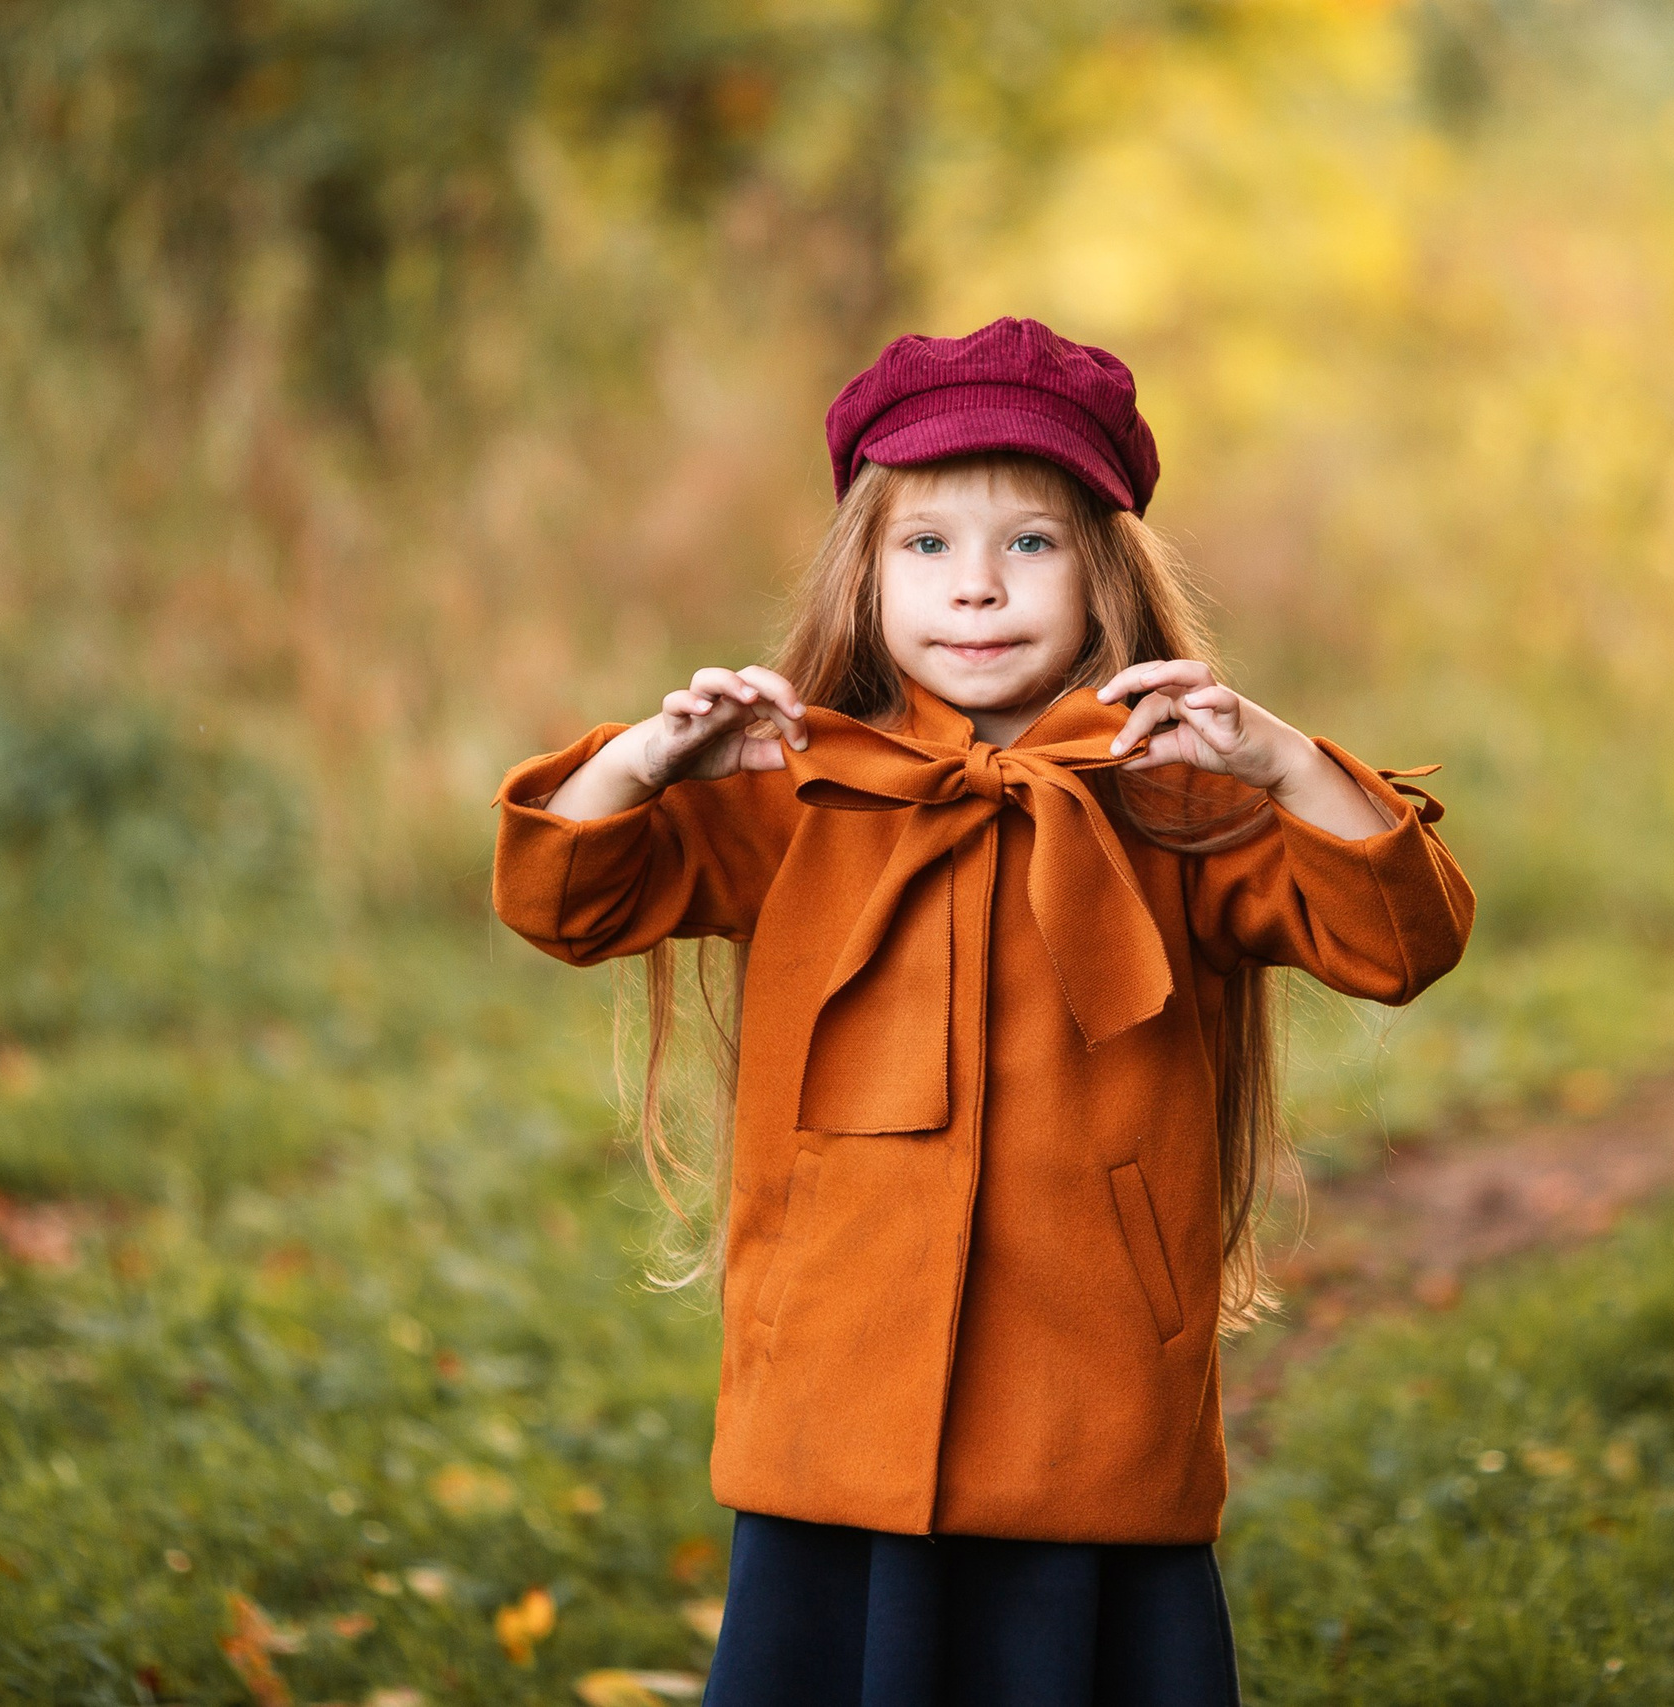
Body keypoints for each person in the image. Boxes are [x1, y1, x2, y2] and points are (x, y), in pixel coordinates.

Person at [490, 316, 1474, 1706]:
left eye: (1031, 544)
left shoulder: (1167, 784)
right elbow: (566, 899)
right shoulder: (797, 784)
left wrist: (1285, 762)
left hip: (1088, 1408)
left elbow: (1401, 937)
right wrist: (649, 756)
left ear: (1102, 574)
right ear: (866, 574)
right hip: (833, 1404)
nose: (977, 590)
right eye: (928, 546)